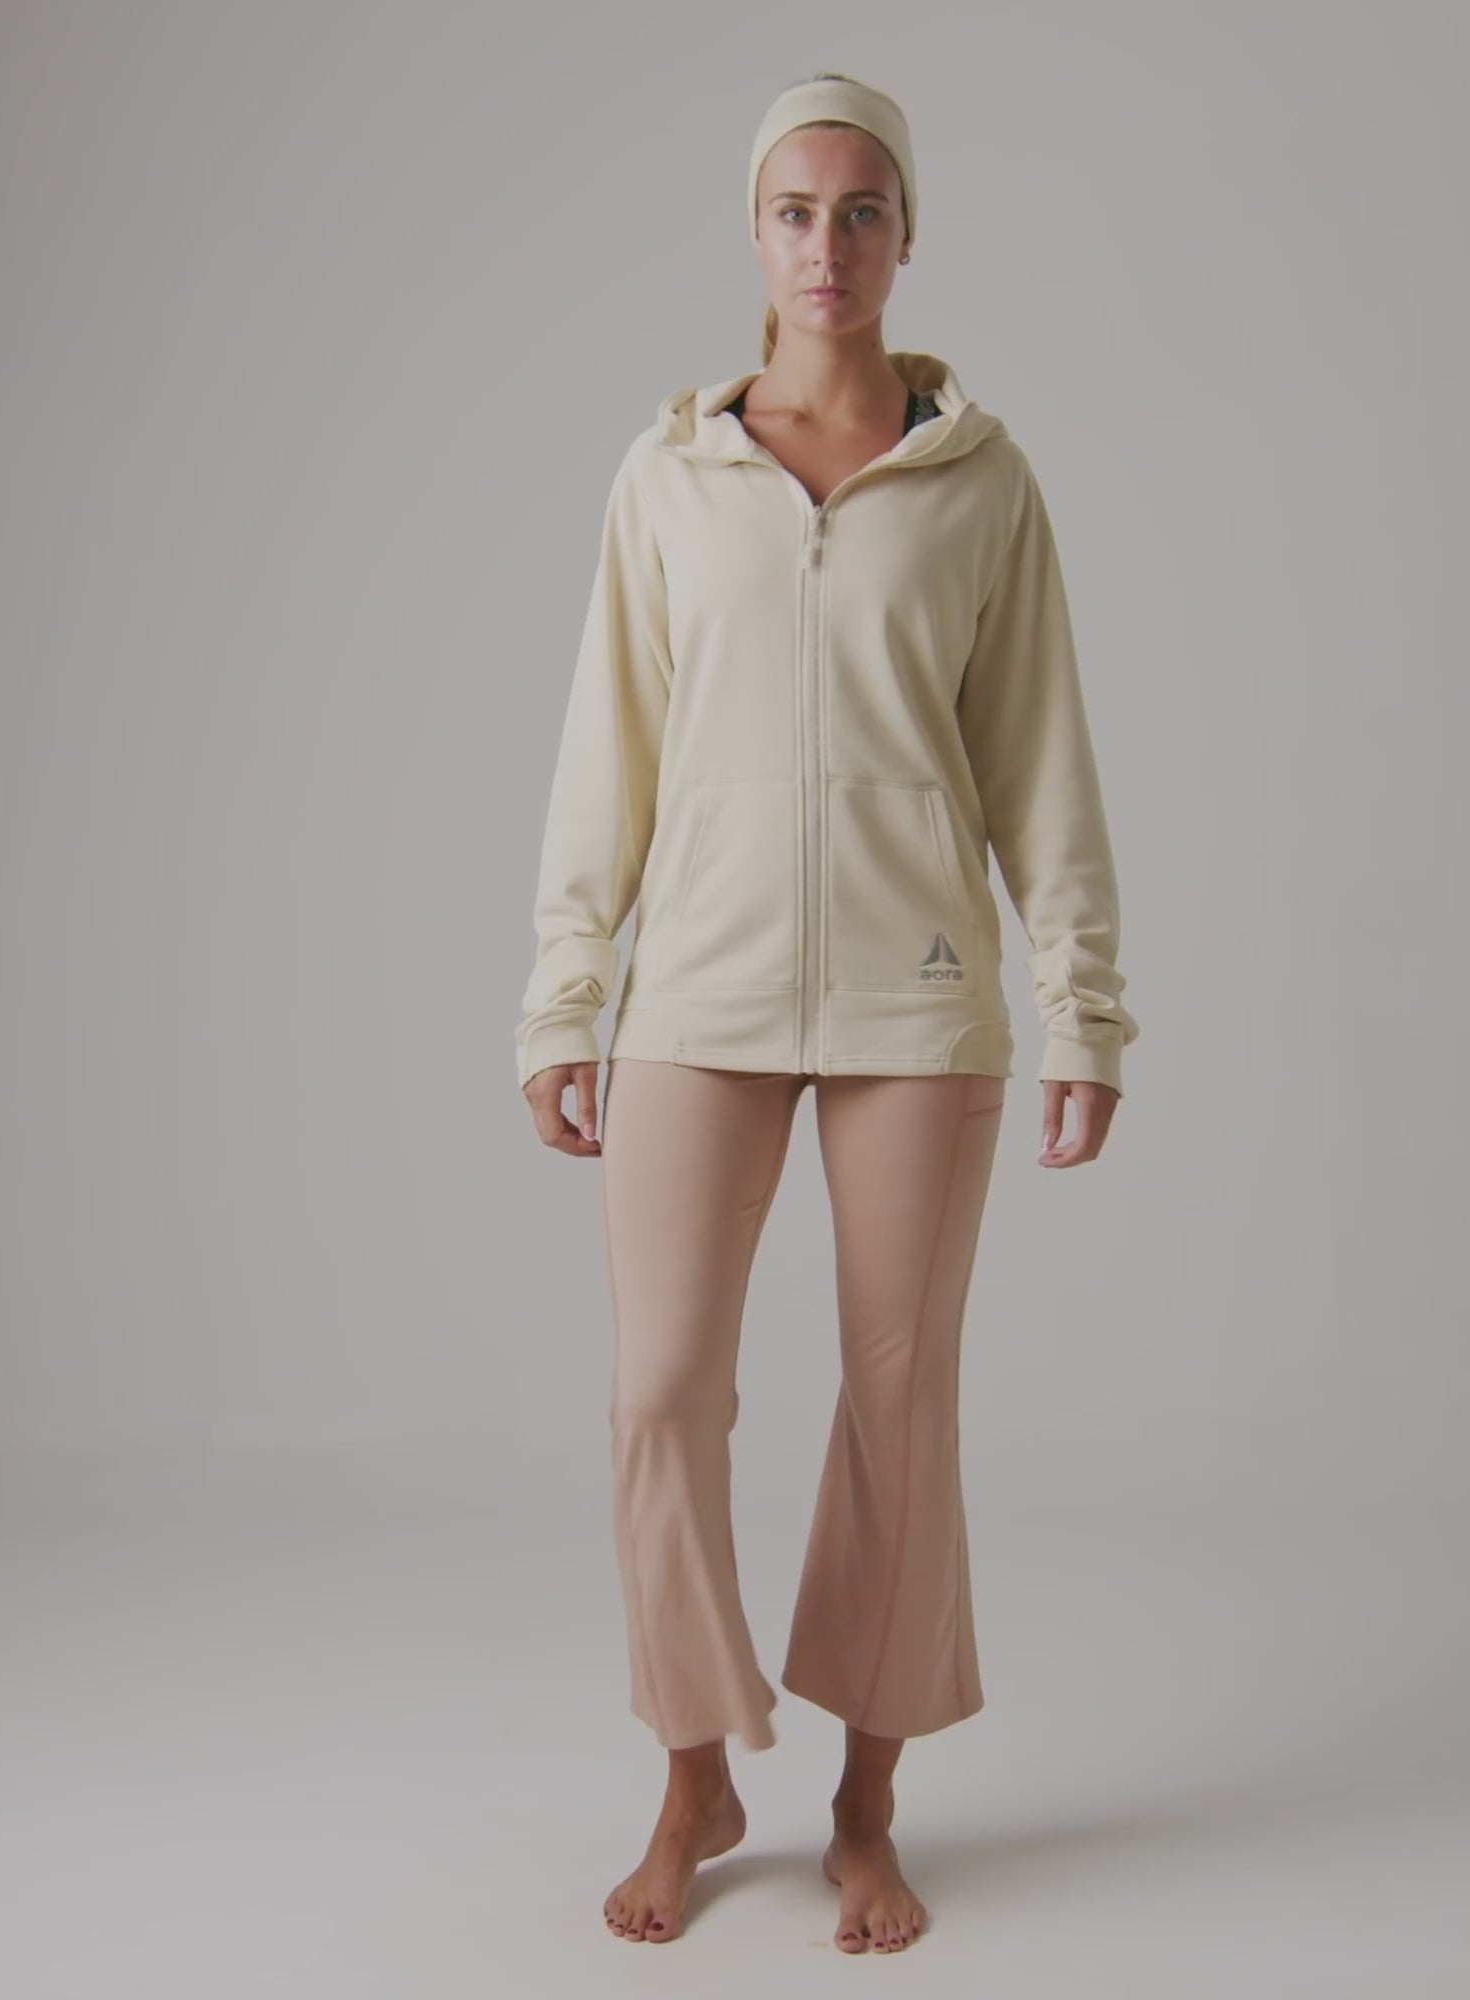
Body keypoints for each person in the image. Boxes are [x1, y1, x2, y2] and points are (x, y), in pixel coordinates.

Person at [515, 70, 1139, 1954]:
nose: (829, 244)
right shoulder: (668, 480)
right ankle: (695, 1770)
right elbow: (607, 757)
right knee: (658, 1390)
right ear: (755, 235)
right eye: (797, 210)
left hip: (916, 999)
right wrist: (566, 992)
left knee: (898, 1401)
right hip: (696, 989)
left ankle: (867, 1806)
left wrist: (1085, 1007)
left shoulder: (982, 486)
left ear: (906, 234)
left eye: (863, 209)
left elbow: (1042, 764)